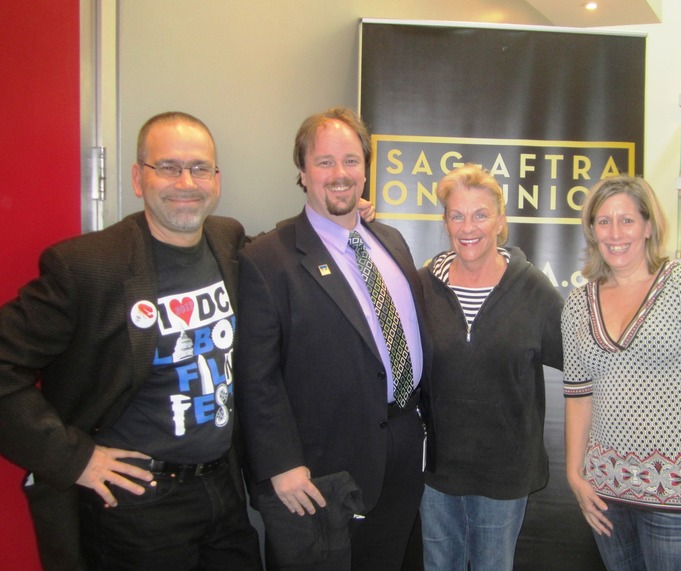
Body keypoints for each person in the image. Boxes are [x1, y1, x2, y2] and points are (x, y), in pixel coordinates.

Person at [0, 111, 262, 570]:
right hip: (137, 506)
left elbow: (286, 253)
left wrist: (342, 219)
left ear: (216, 181)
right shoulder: (86, 266)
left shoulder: (227, 240)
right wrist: (71, 458)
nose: (186, 181)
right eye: (168, 167)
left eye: (200, 168)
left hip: (222, 489)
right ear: (138, 178)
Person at [235, 106, 430, 571]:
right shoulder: (267, 260)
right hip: (320, 471)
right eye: (324, 162)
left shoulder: (391, 241)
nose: (339, 174)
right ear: (302, 173)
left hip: (402, 453)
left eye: (351, 161)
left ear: (366, 168)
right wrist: (280, 464)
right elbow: (255, 377)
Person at [562, 175, 681, 571]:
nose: (614, 233)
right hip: (606, 488)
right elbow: (578, 395)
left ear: (648, 226)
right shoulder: (578, 303)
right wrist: (575, 474)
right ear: (591, 230)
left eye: (626, 220)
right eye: (603, 221)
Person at [417, 164, 564, 570]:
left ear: (501, 221)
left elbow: (583, 359)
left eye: (481, 214)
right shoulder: (421, 286)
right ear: (445, 221)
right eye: (457, 215)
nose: (469, 226)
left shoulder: (533, 289)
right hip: (438, 473)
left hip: (505, 475)